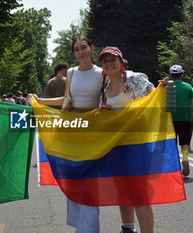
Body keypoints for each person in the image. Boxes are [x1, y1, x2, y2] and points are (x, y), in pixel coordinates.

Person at [30, 35, 103, 233]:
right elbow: (67, 99)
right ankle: (81, 225)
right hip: (73, 129)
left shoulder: (101, 73)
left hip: (94, 131)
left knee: (90, 181)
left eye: (84, 47)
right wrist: (41, 101)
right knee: (75, 178)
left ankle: (90, 228)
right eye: (76, 49)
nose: (80, 52)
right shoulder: (71, 73)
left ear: (92, 48)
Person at [99, 47, 155, 233]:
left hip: (137, 145)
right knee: (122, 189)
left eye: (112, 59)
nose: (109, 63)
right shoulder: (106, 87)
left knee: (139, 193)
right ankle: (128, 229)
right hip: (117, 146)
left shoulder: (135, 79)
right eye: (105, 60)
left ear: (121, 61)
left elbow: (150, 105)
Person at [169, 65, 193, 177]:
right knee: (185, 141)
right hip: (185, 118)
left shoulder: (167, 87)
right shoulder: (188, 86)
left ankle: (174, 165)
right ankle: (185, 158)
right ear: (181, 75)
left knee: (172, 142)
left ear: (171, 75)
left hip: (170, 119)